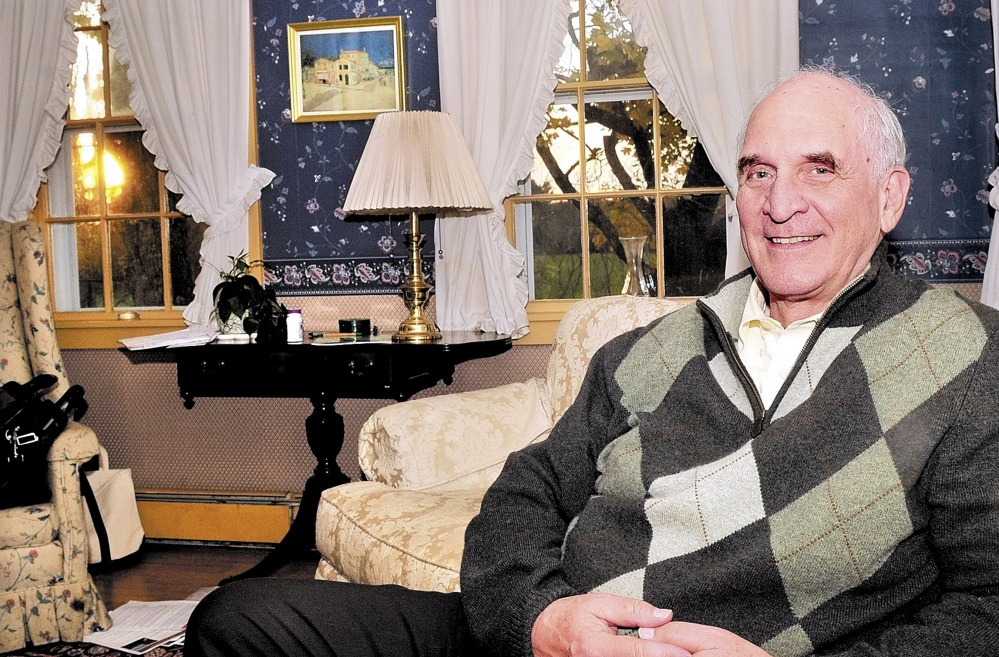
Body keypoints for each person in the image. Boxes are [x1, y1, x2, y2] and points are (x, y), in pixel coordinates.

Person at [185, 69, 999, 657]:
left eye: (818, 169)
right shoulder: (646, 352)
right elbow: (524, 491)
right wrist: (542, 619)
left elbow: (986, 604)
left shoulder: (964, 358)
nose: (779, 203)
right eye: (757, 172)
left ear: (888, 197)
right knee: (238, 616)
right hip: (551, 638)